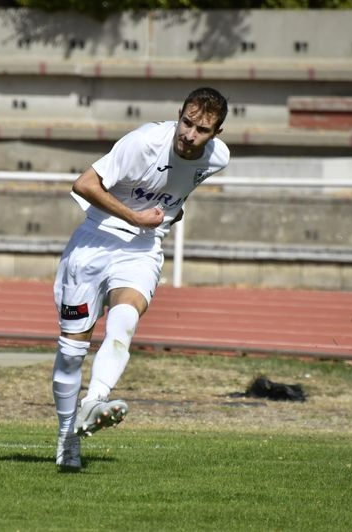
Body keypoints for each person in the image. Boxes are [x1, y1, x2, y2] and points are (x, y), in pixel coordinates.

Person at [52, 87, 230, 472]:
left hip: (142, 248)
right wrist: (133, 216)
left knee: (126, 318)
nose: (189, 134)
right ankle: (67, 438)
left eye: (202, 129)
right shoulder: (143, 143)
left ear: (215, 134)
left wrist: (167, 215)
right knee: (70, 354)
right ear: (178, 114)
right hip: (94, 243)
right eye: (186, 122)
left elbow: (176, 194)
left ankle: (93, 401)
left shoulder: (218, 158)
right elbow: (83, 184)